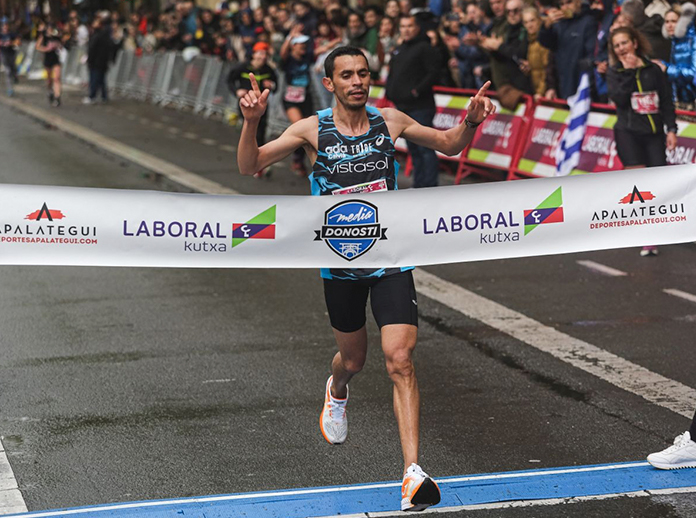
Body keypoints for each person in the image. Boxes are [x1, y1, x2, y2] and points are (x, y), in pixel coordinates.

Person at [236, 45, 495, 512]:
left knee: (400, 360)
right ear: (330, 83)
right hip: (340, 267)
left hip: (391, 258)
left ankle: (412, 474)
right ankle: (337, 390)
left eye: (364, 73)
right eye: (347, 75)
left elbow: (449, 144)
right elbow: (249, 163)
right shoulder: (309, 129)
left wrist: (471, 121)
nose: (358, 81)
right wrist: (252, 121)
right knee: (353, 360)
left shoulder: (389, 121)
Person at [606, 26, 677, 257]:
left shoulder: (653, 69)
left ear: (634, 43)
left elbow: (666, 100)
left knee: (656, 183)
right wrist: (627, 73)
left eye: (624, 43)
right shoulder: (615, 71)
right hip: (628, 133)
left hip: (654, 133)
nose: (621, 49)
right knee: (639, 185)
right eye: (617, 46)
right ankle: (647, 235)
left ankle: (653, 228)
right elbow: (617, 99)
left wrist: (671, 130)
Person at [386, 15, 441, 187]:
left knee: (425, 149)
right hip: (402, 106)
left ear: (417, 28)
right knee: (414, 150)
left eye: (409, 26)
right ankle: (419, 186)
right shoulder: (400, 48)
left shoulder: (424, 47)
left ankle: (430, 187)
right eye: (402, 26)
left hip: (420, 107)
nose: (406, 29)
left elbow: (434, 72)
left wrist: (417, 91)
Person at [228, 41, 278, 178]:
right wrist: (237, 91)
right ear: (254, 54)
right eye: (260, 53)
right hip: (246, 105)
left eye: (265, 54)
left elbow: (276, 85)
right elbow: (230, 80)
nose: (263, 57)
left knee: (261, 133)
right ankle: (251, 162)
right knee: (250, 132)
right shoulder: (243, 67)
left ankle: (259, 163)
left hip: (262, 106)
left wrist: (271, 85)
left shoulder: (268, 70)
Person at [538, 0, 597, 100]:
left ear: (578, 2)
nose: (565, 7)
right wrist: (546, 26)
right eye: (561, 4)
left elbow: (591, 56)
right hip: (562, 84)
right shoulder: (559, 24)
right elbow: (546, 43)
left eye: (569, 2)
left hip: (581, 85)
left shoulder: (588, 22)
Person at [280, 26, 315, 175]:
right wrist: (289, 37)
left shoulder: (307, 57)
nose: (304, 48)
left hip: (306, 98)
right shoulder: (288, 60)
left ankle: (298, 160)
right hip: (290, 99)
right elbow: (282, 53)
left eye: (305, 45)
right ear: (293, 46)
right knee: (300, 126)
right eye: (301, 45)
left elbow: (320, 51)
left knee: (306, 130)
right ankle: (295, 158)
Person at [655, 4, 696, 110]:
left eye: (674, 21)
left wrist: (667, 69)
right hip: (680, 101)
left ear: (683, 22)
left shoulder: (693, 41)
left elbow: (694, 73)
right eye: (667, 21)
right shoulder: (674, 42)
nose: (669, 25)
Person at [83, 14, 114, 105]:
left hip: (97, 62)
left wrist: (90, 60)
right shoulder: (103, 35)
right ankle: (104, 96)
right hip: (101, 62)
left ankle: (92, 96)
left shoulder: (98, 35)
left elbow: (92, 49)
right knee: (101, 80)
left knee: (95, 79)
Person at [36, 21, 63, 107]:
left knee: (57, 78)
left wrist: (58, 46)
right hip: (47, 59)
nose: (51, 31)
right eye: (50, 29)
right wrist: (46, 49)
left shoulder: (56, 37)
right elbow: (37, 46)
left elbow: (61, 46)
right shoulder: (43, 37)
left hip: (55, 59)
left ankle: (57, 97)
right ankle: (50, 91)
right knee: (49, 80)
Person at [0, 18, 19, 97]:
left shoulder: (12, 34)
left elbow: (18, 41)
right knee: (7, 71)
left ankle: (15, 76)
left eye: (6, 25)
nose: (5, 27)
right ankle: (10, 88)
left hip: (12, 54)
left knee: (13, 68)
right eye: (3, 25)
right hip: (4, 54)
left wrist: (11, 43)